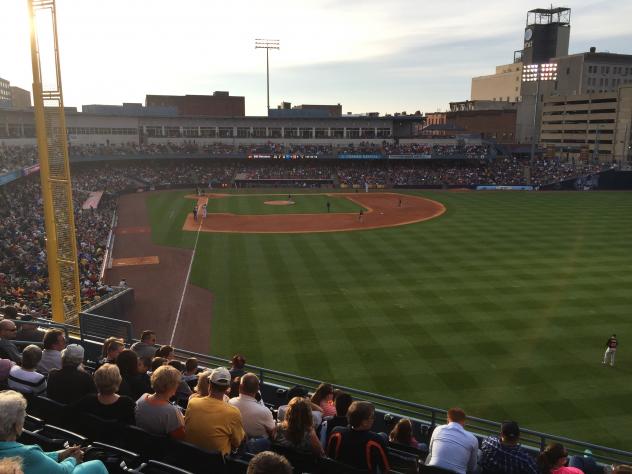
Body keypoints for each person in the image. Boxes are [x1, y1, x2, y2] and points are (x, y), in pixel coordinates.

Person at [0, 390, 108, 473]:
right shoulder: (28, 453)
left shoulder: (24, 453)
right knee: (97, 465)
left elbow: (36, 460)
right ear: (16, 425)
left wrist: (60, 454)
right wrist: (73, 459)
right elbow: (61, 471)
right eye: (24, 417)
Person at [184, 367, 245, 455]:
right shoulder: (234, 412)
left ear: (209, 383)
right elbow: (237, 442)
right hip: (216, 465)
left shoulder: (193, 402)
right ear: (228, 387)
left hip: (188, 457)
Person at [327, 401, 389, 473]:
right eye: (372, 417)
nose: (373, 419)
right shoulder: (376, 440)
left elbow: (330, 458)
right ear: (364, 422)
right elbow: (385, 469)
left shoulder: (336, 432)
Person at [135, 365, 185, 439]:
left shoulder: (142, 398)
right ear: (173, 386)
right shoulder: (171, 412)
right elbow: (181, 437)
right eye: (177, 383)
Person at [229, 373, 275, 452]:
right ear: (257, 389)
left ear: (240, 387)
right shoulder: (265, 412)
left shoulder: (229, 402)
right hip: (257, 454)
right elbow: (273, 435)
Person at [425, 407, 478, 474]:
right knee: (477, 469)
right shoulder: (473, 439)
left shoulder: (438, 429)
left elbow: (431, 451)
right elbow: (471, 468)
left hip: (432, 471)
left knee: (429, 456)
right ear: (464, 422)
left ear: (448, 419)